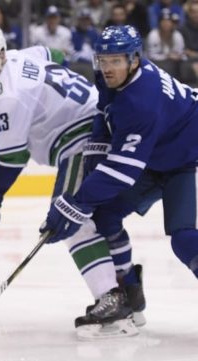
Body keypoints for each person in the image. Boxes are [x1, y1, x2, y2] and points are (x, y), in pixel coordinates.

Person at [0, 23, 141, 339]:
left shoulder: (8, 96)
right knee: (97, 218)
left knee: (71, 217)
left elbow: (12, 159)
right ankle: (130, 298)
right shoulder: (22, 55)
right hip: (103, 119)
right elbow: (55, 54)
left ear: (0, 54)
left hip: (85, 136)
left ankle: (112, 301)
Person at [40, 25, 198, 328]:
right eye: (103, 60)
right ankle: (129, 295)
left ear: (134, 59)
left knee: (184, 239)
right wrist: (93, 164)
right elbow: (103, 111)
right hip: (156, 156)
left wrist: (76, 202)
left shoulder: (142, 102)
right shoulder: (113, 76)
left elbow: (123, 171)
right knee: (105, 215)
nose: (107, 68)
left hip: (182, 159)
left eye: (115, 61)